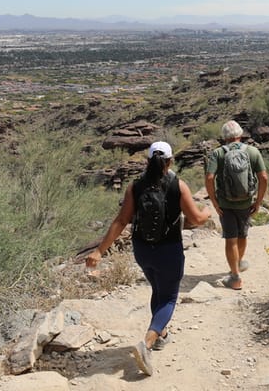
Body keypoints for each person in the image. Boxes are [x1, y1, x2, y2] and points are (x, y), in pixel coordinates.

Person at [85, 140, 212, 377]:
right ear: (170, 161)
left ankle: (162, 334)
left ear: (148, 161)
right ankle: (148, 341)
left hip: (142, 250)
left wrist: (99, 251)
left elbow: (121, 221)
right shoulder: (178, 185)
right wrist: (207, 212)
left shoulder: (135, 186)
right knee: (170, 298)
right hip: (169, 250)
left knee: (157, 289)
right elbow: (195, 219)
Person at [204, 120, 268, 291]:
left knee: (230, 238)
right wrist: (258, 201)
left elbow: (209, 178)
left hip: (225, 203)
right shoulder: (253, 152)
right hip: (246, 202)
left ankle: (235, 276)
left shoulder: (218, 153)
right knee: (242, 235)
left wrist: (214, 202)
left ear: (224, 137)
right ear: (240, 135)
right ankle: (238, 263)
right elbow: (264, 178)